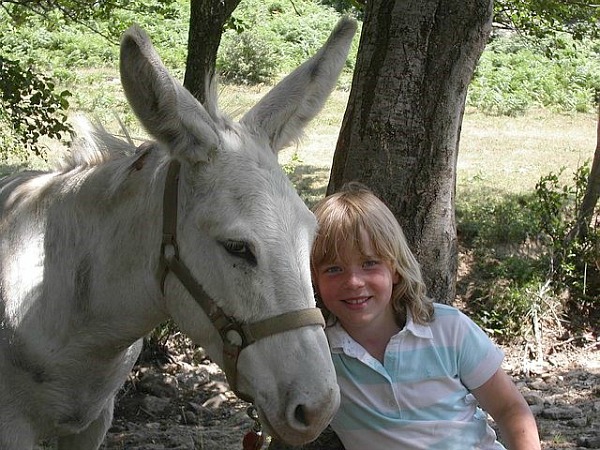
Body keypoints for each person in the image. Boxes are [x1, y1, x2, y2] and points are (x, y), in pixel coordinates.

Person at [310, 182, 541, 450]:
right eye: (334, 269)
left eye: (369, 264)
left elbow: (509, 408)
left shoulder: (448, 330)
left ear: (394, 268)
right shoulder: (319, 353)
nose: (353, 282)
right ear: (314, 278)